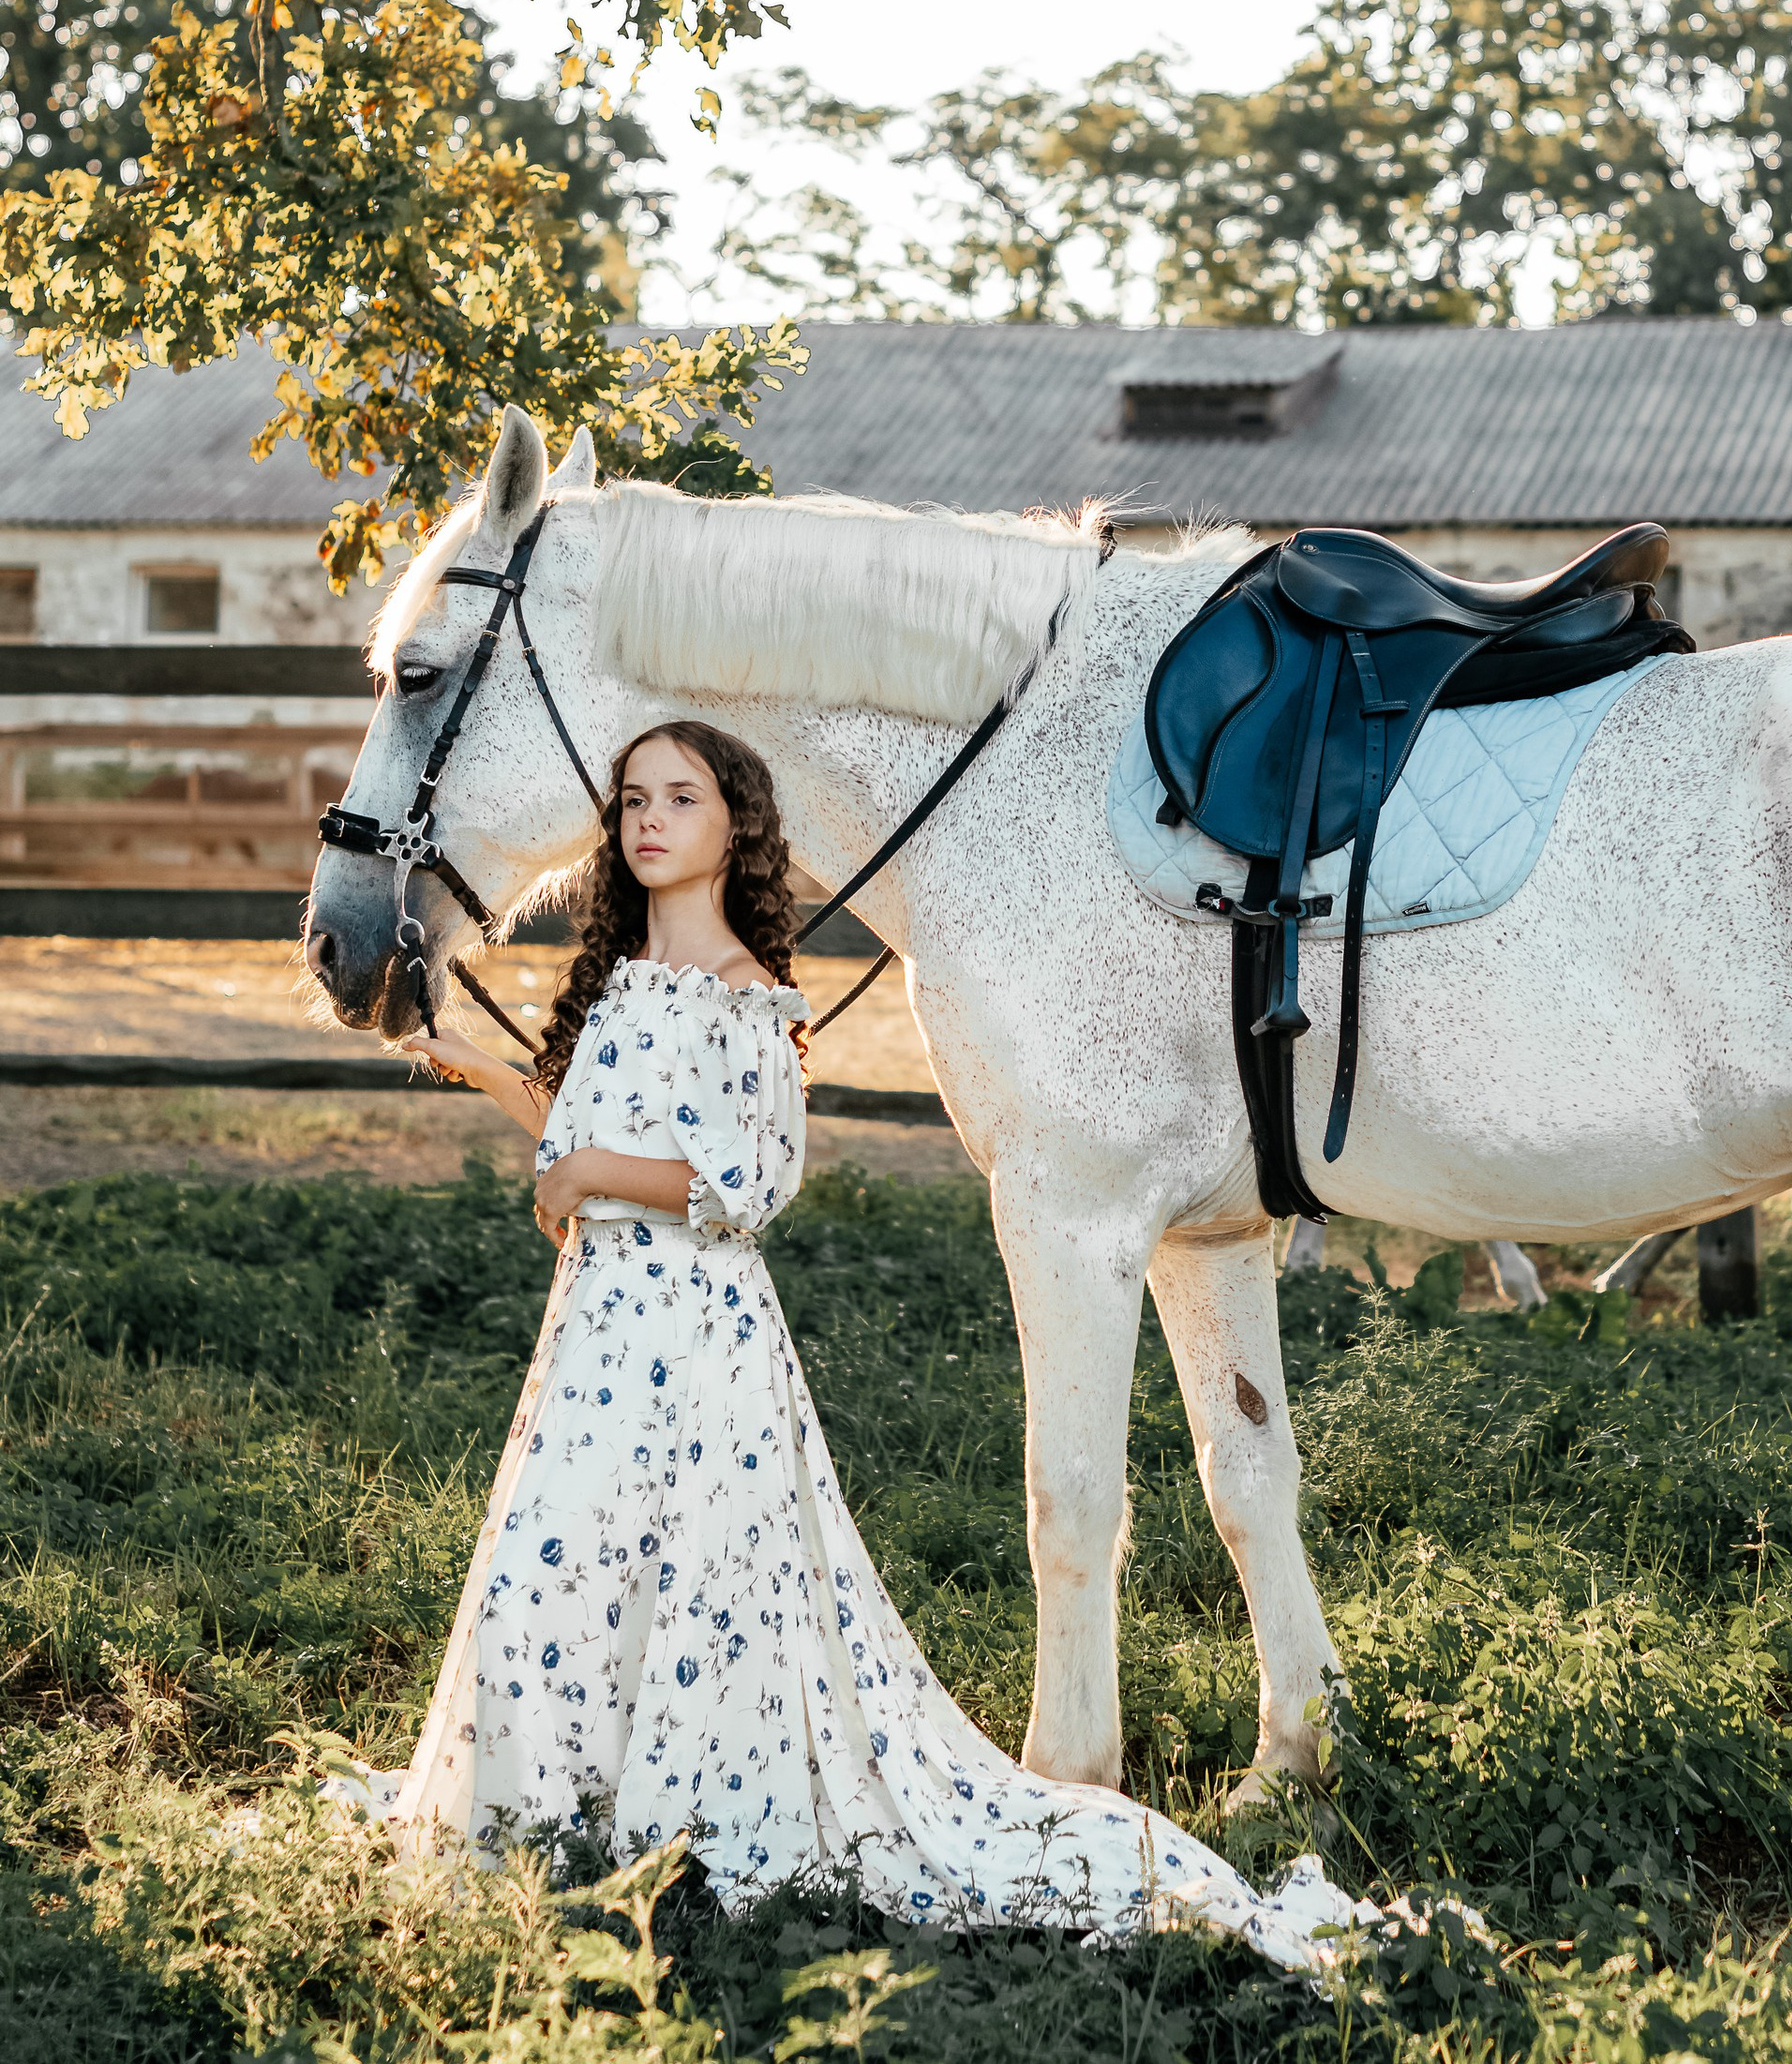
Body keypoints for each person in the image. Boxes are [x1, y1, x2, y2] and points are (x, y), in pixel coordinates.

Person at [376, 717, 1364, 1973]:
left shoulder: (749, 998)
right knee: (561, 1572)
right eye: (631, 799)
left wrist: (588, 1173)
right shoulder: (620, 984)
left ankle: (695, 1828)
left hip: (697, 1340)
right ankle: (549, 1820)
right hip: (599, 1335)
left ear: (736, 826)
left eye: (680, 797)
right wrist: (472, 1064)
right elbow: (571, 1128)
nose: (647, 819)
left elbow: (746, 1184)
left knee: (698, 1585)